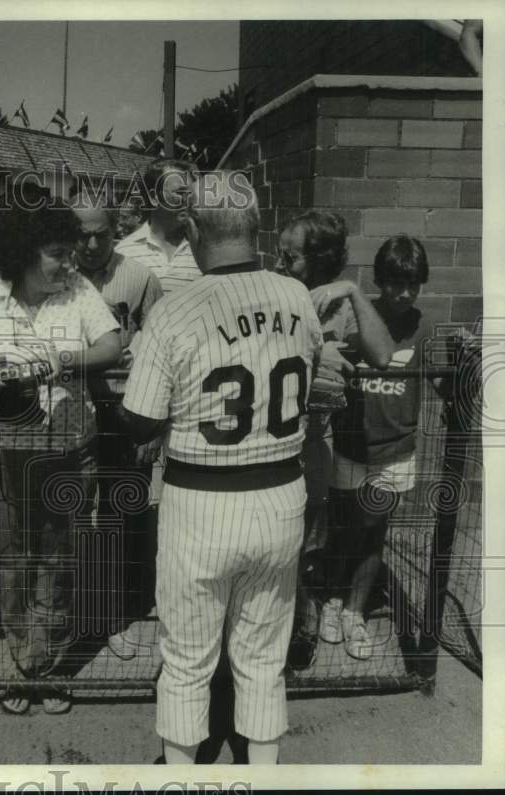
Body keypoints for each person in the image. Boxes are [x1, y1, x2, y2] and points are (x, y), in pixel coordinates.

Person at [121, 171, 322, 764]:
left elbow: (139, 421)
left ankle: (181, 774)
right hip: (282, 493)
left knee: (186, 660)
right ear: (254, 228)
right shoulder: (296, 296)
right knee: (262, 656)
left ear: (191, 228)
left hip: (202, 500)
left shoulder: (176, 309)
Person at [0, 190, 121, 715]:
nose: (71, 260)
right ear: (23, 252)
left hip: (68, 450)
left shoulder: (79, 289)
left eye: (71, 250)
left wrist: (62, 360)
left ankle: (53, 666)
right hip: (3, 452)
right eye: (58, 252)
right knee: (11, 563)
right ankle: (24, 663)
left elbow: (111, 345)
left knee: (57, 563)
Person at [273, 211, 394, 668]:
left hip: (312, 443)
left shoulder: (341, 308)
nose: (282, 263)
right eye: (281, 254)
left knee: (301, 542)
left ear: (322, 261)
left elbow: (382, 354)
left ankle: (296, 631)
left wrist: (353, 290)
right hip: (264, 439)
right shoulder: (273, 291)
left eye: (293, 257)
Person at [323, 236, 446, 660]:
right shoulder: (357, 318)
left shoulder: (425, 327)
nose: (404, 293)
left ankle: (355, 613)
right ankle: (332, 602)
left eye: (413, 284)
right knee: (339, 529)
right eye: (395, 283)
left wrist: (461, 385)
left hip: (395, 450)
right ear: (379, 280)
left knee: (373, 533)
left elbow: (442, 383)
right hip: (349, 445)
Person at [70, 194, 163, 661]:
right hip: (67, 413)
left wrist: (155, 425)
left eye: (100, 234)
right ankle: (72, 613)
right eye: (81, 234)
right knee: (69, 517)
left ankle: (114, 618)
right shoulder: (56, 275)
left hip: (124, 411)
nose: (90, 244)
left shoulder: (139, 277)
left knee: (120, 517)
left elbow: (161, 349)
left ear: (115, 230)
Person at [114, 158, 200, 295]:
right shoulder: (123, 254)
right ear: (154, 197)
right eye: (180, 193)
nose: (189, 200)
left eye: (191, 193)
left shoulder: (205, 248)